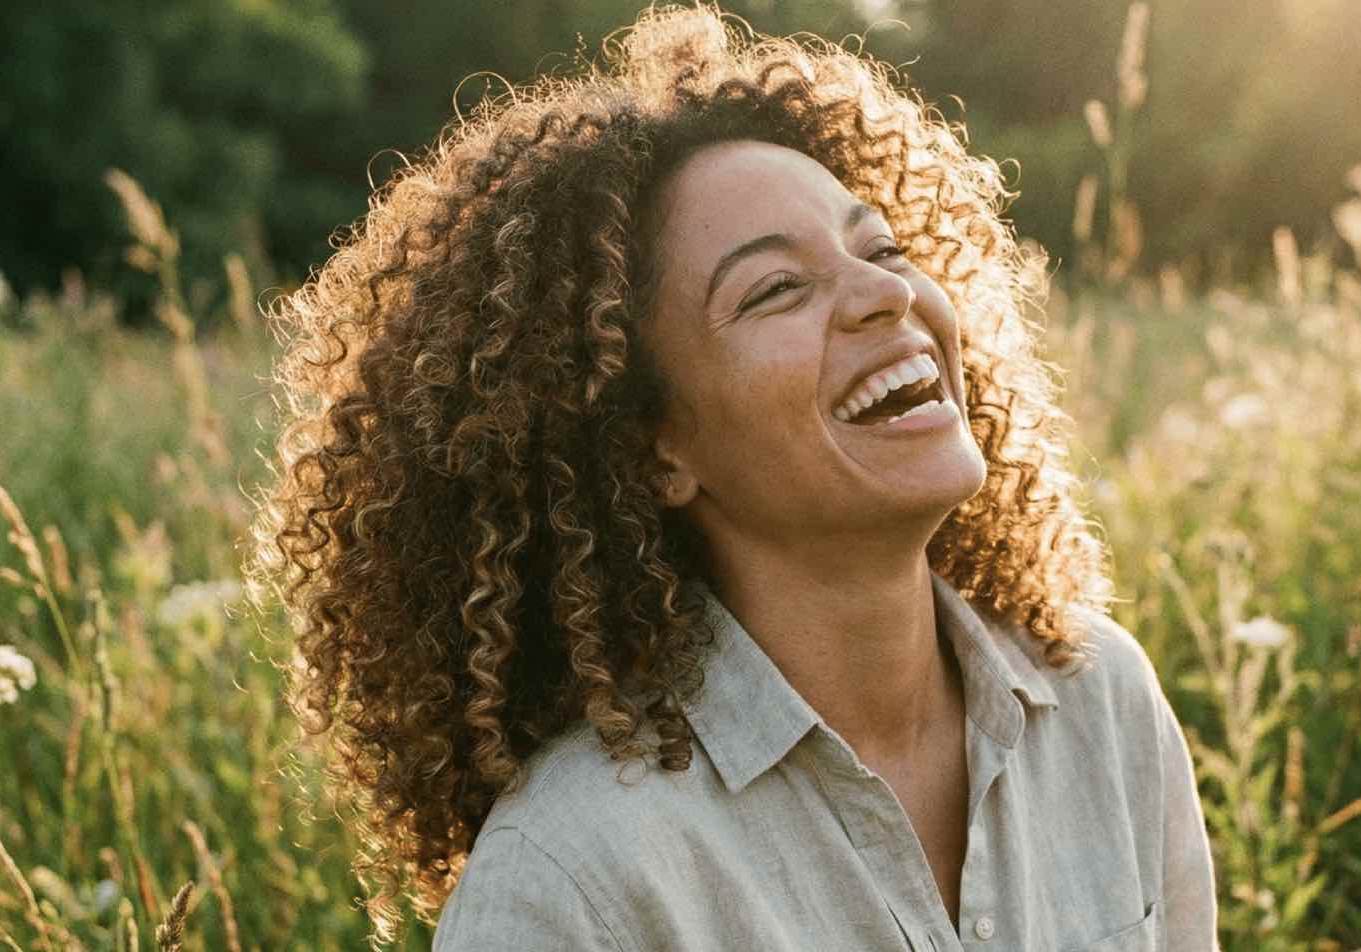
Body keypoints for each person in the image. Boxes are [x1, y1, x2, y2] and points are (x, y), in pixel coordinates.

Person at [250, 4, 1217, 949]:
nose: (887, 291)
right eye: (776, 289)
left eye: (880, 247)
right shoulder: (574, 880)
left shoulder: (1101, 700)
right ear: (654, 447)